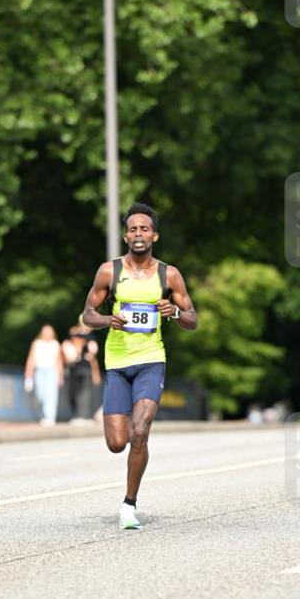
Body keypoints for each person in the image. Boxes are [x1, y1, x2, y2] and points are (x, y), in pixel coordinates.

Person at [81, 202, 197, 529]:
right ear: (125, 236)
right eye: (133, 229)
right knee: (117, 443)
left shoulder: (168, 274)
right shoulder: (109, 271)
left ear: (155, 236)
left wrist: (173, 312)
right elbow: (88, 314)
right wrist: (107, 319)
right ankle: (128, 424)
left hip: (151, 360)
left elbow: (192, 319)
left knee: (140, 432)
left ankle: (129, 505)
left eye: (144, 229)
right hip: (117, 363)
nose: (138, 234)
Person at [24, 325, 64, 425]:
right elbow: (31, 359)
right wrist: (28, 375)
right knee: (40, 394)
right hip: (39, 371)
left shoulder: (55, 344)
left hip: (52, 371)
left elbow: (59, 361)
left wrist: (60, 375)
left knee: (51, 395)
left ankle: (50, 417)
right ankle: (43, 415)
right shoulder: (37, 344)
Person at [62, 325, 101, 421]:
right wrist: (77, 348)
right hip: (73, 372)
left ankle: (84, 415)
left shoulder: (89, 345)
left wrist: (96, 374)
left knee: (85, 393)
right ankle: (77, 414)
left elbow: (93, 360)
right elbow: (69, 359)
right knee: (73, 393)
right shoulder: (68, 345)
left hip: (86, 371)